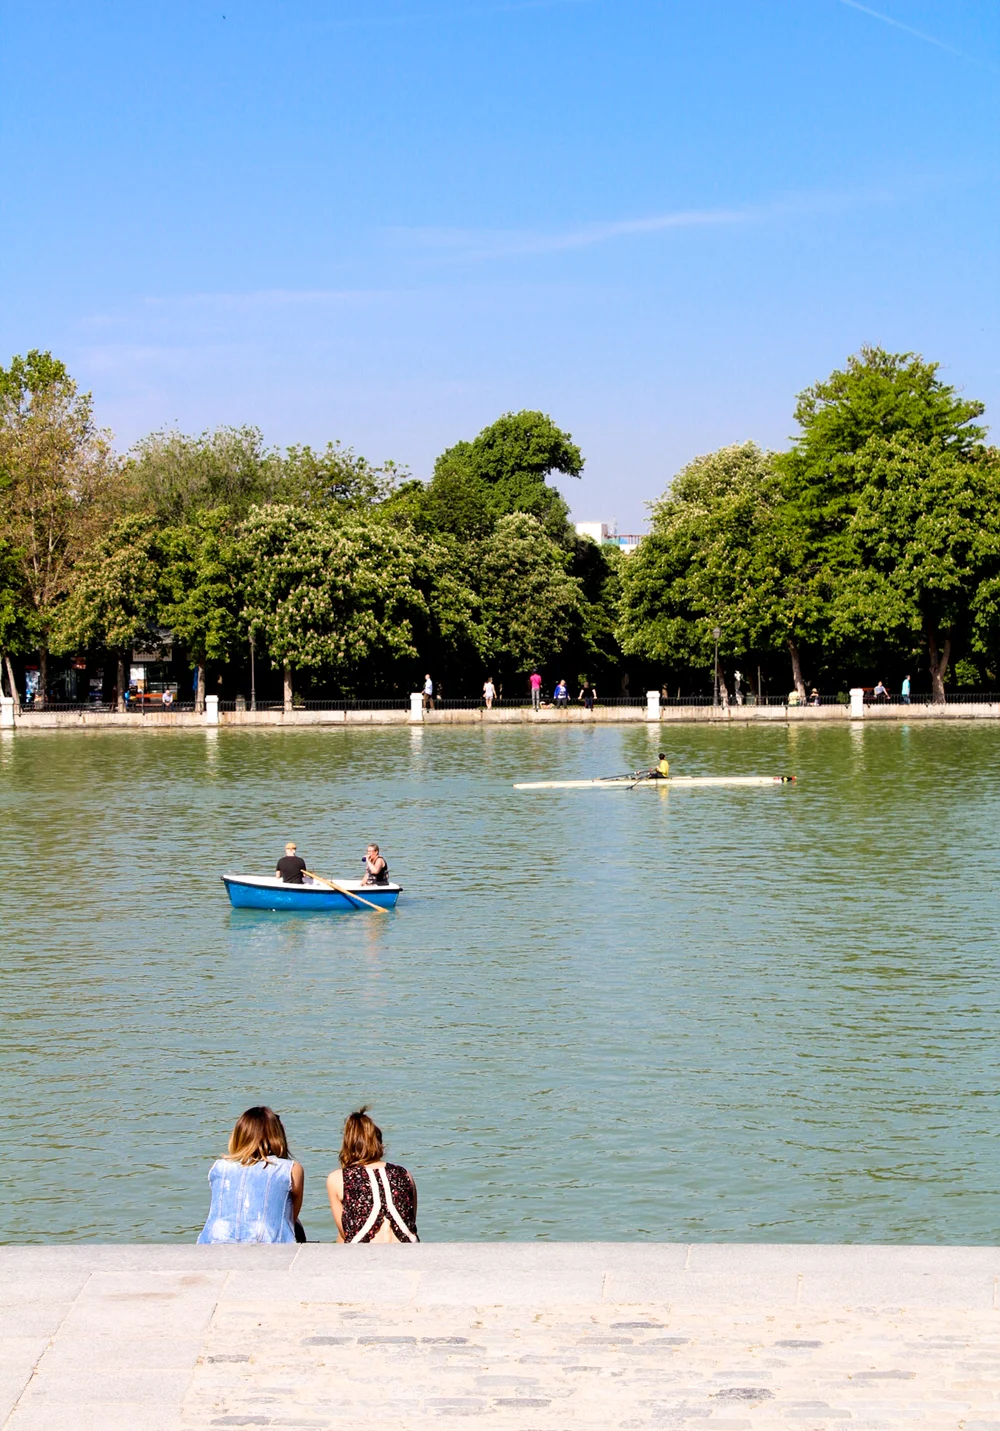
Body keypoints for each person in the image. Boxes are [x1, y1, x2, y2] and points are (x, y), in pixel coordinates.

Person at [197, 1106, 304, 1244]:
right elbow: (291, 1217)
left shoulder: (219, 1167)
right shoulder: (290, 1169)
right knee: (295, 1225)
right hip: (271, 1246)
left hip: (212, 1243)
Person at [327, 1107, 419, 1244]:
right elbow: (411, 1221)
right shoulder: (404, 1173)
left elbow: (345, 1233)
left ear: (348, 1145)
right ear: (379, 1143)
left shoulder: (337, 1178)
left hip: (366, 1253)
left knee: (340, 1241)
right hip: (409, 1249)